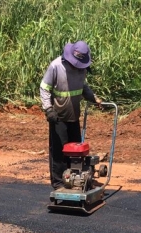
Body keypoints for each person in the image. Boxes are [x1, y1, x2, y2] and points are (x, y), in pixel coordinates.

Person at [39, 41, 102, 189]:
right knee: (59, 151)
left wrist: (93, 98)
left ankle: (76, 180)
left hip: (74, 114)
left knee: (75, 150)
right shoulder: (56, 66)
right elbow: (44, 88)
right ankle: (59, 183)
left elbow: (83, 86)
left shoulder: (82, 70)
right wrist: (48, 109)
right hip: (58, 116)